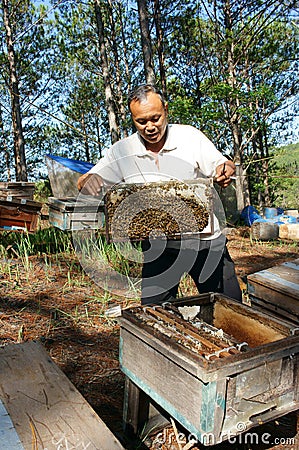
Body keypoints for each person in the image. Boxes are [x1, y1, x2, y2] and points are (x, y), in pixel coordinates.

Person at [78, 84, 242, 304]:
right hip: (159, 246)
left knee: (230, 307)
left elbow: (222, 164)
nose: (150, 127)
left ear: (166, 109)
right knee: (154, 315)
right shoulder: (122, 150)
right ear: (132, 119)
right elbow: (85, 180)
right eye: (141, 121)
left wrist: (225, 172)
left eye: (155, 118)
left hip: (205, 242)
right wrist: (90, 181)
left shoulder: (189, 137)